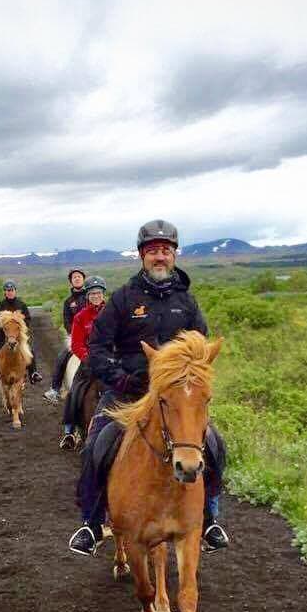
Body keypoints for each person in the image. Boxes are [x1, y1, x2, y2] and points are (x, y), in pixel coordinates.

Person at [67, 220, 230, 556]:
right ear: (142, 256)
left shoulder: (187, 302)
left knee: (214, 445)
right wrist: (120, 377)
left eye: (166, 251)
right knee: (97, 444)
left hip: (176, 397)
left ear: (174, 255)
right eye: (153, 251)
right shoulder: (123, 299)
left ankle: (210, 518)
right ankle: (92, 522)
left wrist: (191, 380)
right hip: (130, 391)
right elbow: (97, 347)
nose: (160, 257)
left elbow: (199, 351)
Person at [59, 275, 106, 449]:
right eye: (92, 293)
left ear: (103, 294)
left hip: (109, 360)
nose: (95, 296)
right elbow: (77, 344)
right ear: (87, 295)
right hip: (88, 363)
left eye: (98, 293)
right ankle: (69, 432)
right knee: (75, 393)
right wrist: (88, 358)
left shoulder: (112, 313)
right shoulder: (80, 317)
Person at [0, 280, 42, 385]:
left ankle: (33, 373)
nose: (10, 292)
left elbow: (27, 318)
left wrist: (21, 328)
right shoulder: (0, 305)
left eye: (11, 290)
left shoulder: (21, 305)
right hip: (3, 334)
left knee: (29, 350)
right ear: (5, 292)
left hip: (18, 335)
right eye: (7, 290)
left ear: (15, 291)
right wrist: (2, 328)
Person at [43, 268, 88, 405]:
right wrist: (75, 333)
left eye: (79, 276)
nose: (77, 278)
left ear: (83, 279)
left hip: (94, 336)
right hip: (76, 337)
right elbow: (67, 321)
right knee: (62, 357)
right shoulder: (68, 302)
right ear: (71, 281)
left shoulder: (91, 296)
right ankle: (55, 389)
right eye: (74, 277)